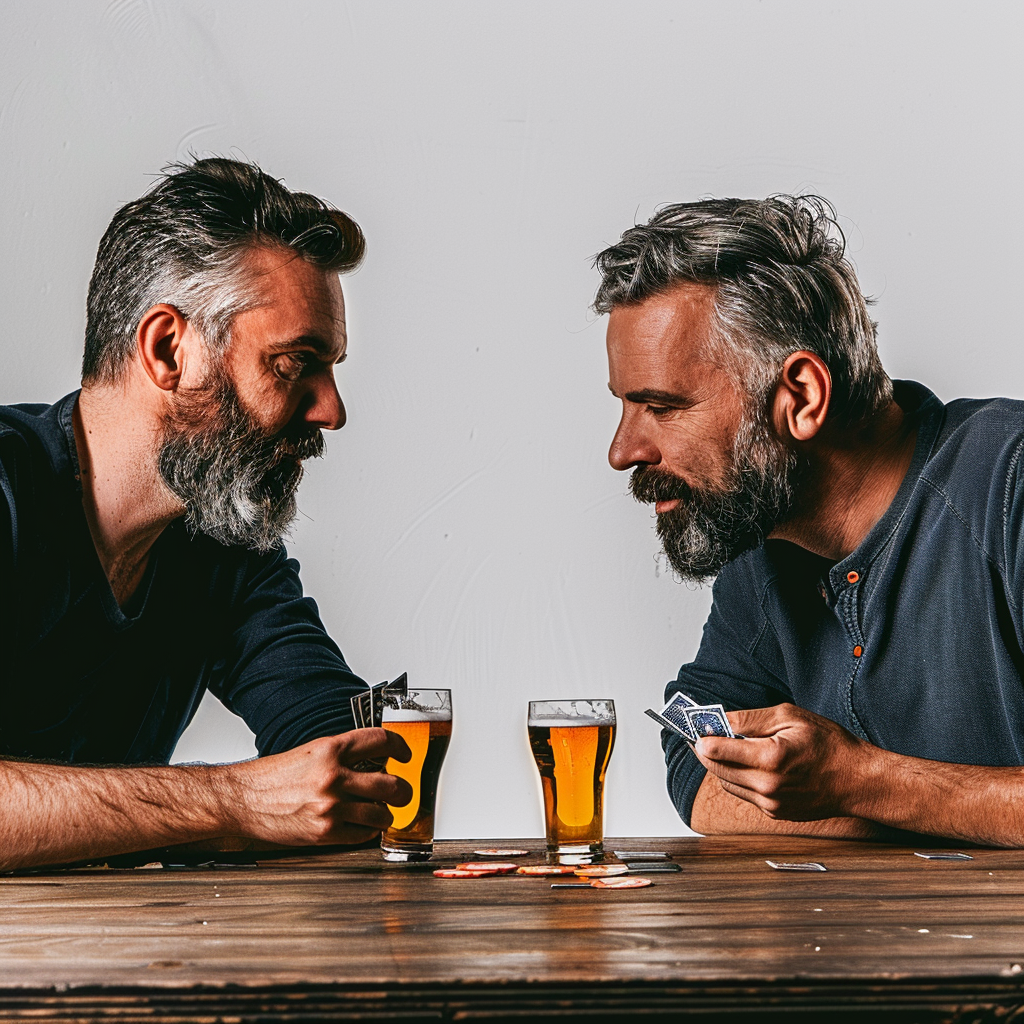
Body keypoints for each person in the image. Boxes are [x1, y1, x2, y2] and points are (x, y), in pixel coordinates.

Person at [0, 158, 411, 870]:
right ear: (167, 349)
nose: (331, 411)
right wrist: (232, 804)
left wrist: (355, 769)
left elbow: (344, 767)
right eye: (294, 364)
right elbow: (263, 802)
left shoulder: (221, 541)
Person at [597, 196, 1024, 846]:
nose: (623, 451)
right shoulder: (765, 544)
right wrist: (873, 804)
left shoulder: (1009, 483)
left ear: (800, 397)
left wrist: (862, 781)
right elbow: (692, 761)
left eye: (660, 406)